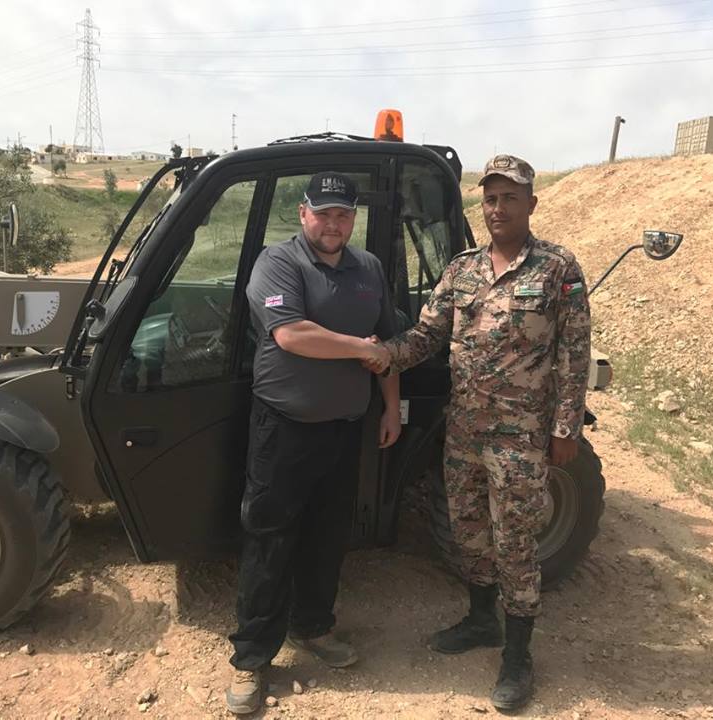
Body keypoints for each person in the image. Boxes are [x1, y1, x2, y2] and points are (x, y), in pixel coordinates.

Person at [379, 154, 591, 711]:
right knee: (470, 533)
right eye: (490, 198)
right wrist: (378, 355)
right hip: (466, 430)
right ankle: (480, 620)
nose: (498, 207)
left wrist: (565, 427)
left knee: (515, 544)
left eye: (510, 197)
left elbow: (573, 354)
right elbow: (426, 337)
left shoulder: (556, 269)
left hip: (521, 439)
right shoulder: (462, 270)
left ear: (530, 204)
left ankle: (518, 656)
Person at [225, 171, 397, 715]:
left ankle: (314, 629)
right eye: (323, 213)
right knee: (270, 540)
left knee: (327, 536)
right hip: (285, 430)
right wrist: (358, 348)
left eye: (342, 214)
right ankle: (252, 659)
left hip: (345, 429)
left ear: (353, 218)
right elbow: (291, 334)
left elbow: (387, 345)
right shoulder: (279, 262)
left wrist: (391, 405)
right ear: (303, 214)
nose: (333, 223)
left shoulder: (368, 268)